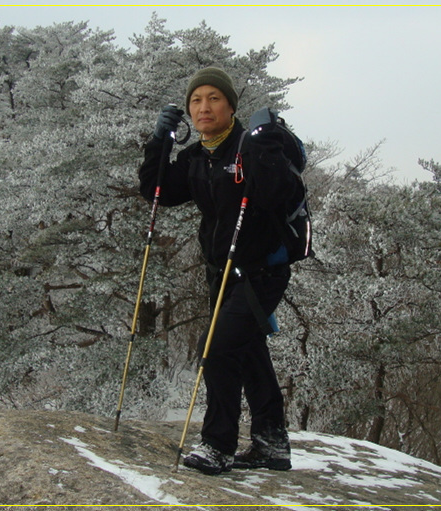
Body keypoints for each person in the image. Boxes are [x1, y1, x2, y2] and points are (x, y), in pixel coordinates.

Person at [138, 67, 296, 475]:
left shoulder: (250, 144)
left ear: (230, 106)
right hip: (220, 270)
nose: (203, 107)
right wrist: (159, 141)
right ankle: (271, 442)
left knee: (218, 348)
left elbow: (282, 192)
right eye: (196, 100)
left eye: (213, 98)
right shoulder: (198, 156)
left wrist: (266, 146)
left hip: (261, 271)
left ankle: (218, 445)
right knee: (248, 350)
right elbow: (158, 190)